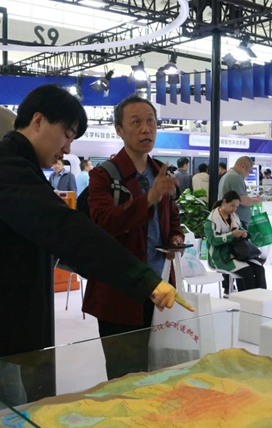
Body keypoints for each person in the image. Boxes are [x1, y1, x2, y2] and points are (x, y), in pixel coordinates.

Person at [0, 85, 178, 422]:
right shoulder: (5, 169)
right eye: (67, 134)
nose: (67, 148)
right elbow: (66, 229)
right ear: (39, 121)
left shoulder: (15, 166)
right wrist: (143, 279)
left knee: (11, 423)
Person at [84, 95, 185, 380]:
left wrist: (175, 238)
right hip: (119, 290)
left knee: (160, 369)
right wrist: (149, 197)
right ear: (119, 129)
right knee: (124, 375)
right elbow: (103, 223)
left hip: (159, 287)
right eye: (136, 122)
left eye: (151, 121)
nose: (146, 129)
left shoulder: (159, 172)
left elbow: (172, 218)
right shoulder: (104, 176)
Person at [204, 190, 266, 295]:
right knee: (247, 272)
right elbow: (213, 240)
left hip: (237, 252)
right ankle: (249, 301)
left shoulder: (234, 216)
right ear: (224, 202)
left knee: (259, 269)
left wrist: (244, 234)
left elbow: (241, 228)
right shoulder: (211, 220)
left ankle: (262, 299)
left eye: (236, 207)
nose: (234, 209)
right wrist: (231, 235)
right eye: (232, 206)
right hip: (220, 256)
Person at [217, 156, 262, 228]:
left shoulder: (226, 176)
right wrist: (255, 201)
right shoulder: (236, 177)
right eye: (249, 171)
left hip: (230, 219)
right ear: (242, 167)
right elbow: (242, 199)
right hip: (237, 221)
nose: (248, 174)